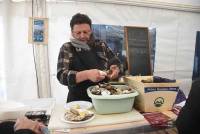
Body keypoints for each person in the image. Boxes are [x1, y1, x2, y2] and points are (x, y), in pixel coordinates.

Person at [57, 13, 121, 102]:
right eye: (78, 33)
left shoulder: (101, 45)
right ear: (72, 32)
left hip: (104, 97)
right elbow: (61, 76)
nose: (82, 36)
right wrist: (86, 75)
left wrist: (115, 69)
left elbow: (115, 61)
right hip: (78, 101)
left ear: (90, 31)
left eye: (85, 32)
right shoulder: (67, 48)